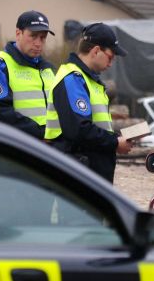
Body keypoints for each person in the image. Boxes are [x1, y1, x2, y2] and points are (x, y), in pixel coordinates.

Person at [0, 9, 57, 225]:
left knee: (40, 229)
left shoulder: (49, 70)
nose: (38, 43)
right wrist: (41, 133)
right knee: (11, 230)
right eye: (33, 36)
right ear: (18, 33)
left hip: (43, 163)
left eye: (42, 38)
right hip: (9, 163)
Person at [45, 22, 131, 183]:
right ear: (96, 50)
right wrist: (114, 142)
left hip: (90, 172)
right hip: (78, 174)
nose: (110, 63)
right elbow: (79, 129)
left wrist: (117, 138)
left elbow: (97, 126)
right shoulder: (73, 79)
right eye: (110, 57)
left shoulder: (88, 80)